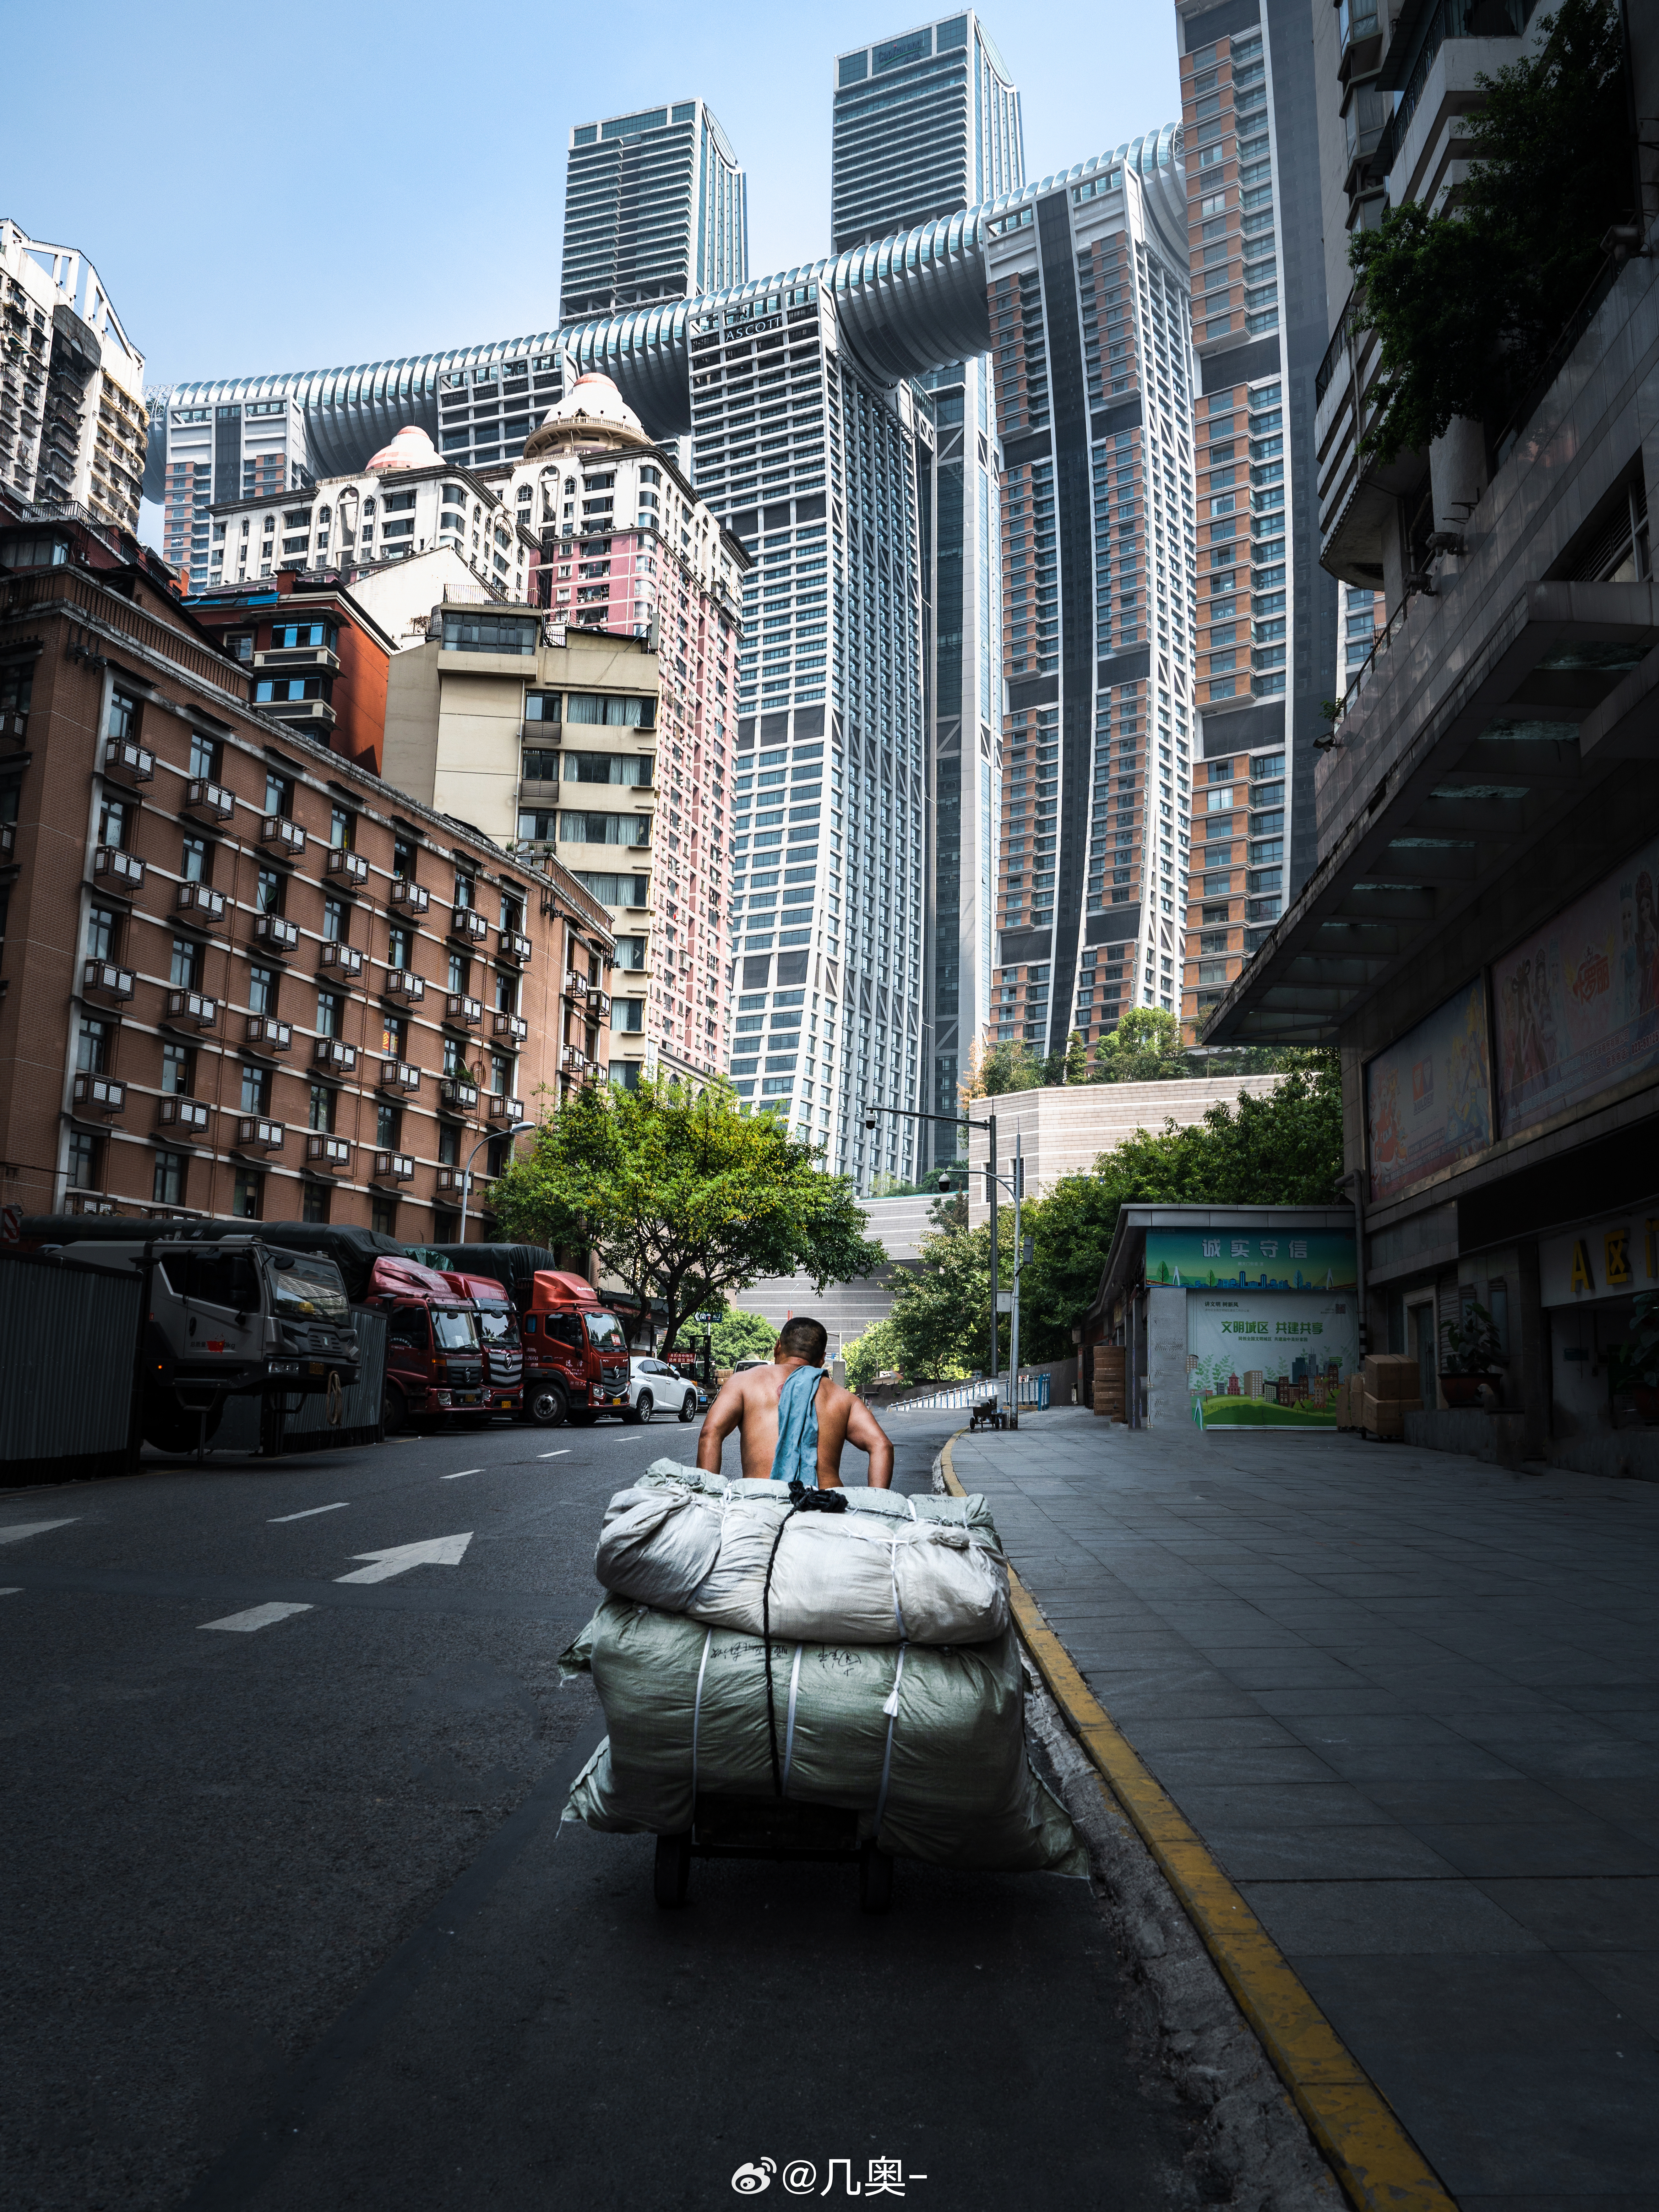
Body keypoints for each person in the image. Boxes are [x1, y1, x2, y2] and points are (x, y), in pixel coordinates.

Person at [696, 1315, 894, 1489]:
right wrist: (875, 1502)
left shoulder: (743, 1381)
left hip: (760, 1501)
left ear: (777, 1347)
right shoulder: (843, 1398)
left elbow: (710, 1434)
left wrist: (708, 1498)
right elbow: (882, 1447)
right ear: (822, 1359)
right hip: (826, 1506)